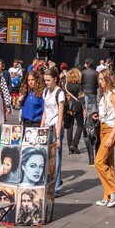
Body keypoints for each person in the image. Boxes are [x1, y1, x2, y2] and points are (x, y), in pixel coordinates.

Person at [93, 69, 115, 207]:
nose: (100, 82)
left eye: (102, 79)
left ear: (109, 79)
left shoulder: (114, 95)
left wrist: (112, 136)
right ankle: (108, 195)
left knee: (99, 161)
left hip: (112, 129)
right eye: (99, 79)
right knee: (108, 163)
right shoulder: (105, 94)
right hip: (104, 127)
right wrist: (98, 116)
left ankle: (114, 189)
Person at [42, 67, 66, 195]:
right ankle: (49, 183)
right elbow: (45, 111)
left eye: (49, 80)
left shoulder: (59, 92)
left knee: (56, 157)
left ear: (55, 79)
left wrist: (58, 135)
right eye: (45, 80)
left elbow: (60, 115)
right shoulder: (45, 91)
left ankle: (56, 186)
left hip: (56, 126)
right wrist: (41, 127)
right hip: (47, 126)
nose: (46, 83)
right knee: (46, 156)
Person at [63, 67, 85, 155]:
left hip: (68, 107)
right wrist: (84, 109)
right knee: (80, 125)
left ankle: (69, 148)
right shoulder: (78, 86)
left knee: (69, 126)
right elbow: (81, 97)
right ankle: (74, 144)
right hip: (77, 107)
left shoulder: (66, 85)